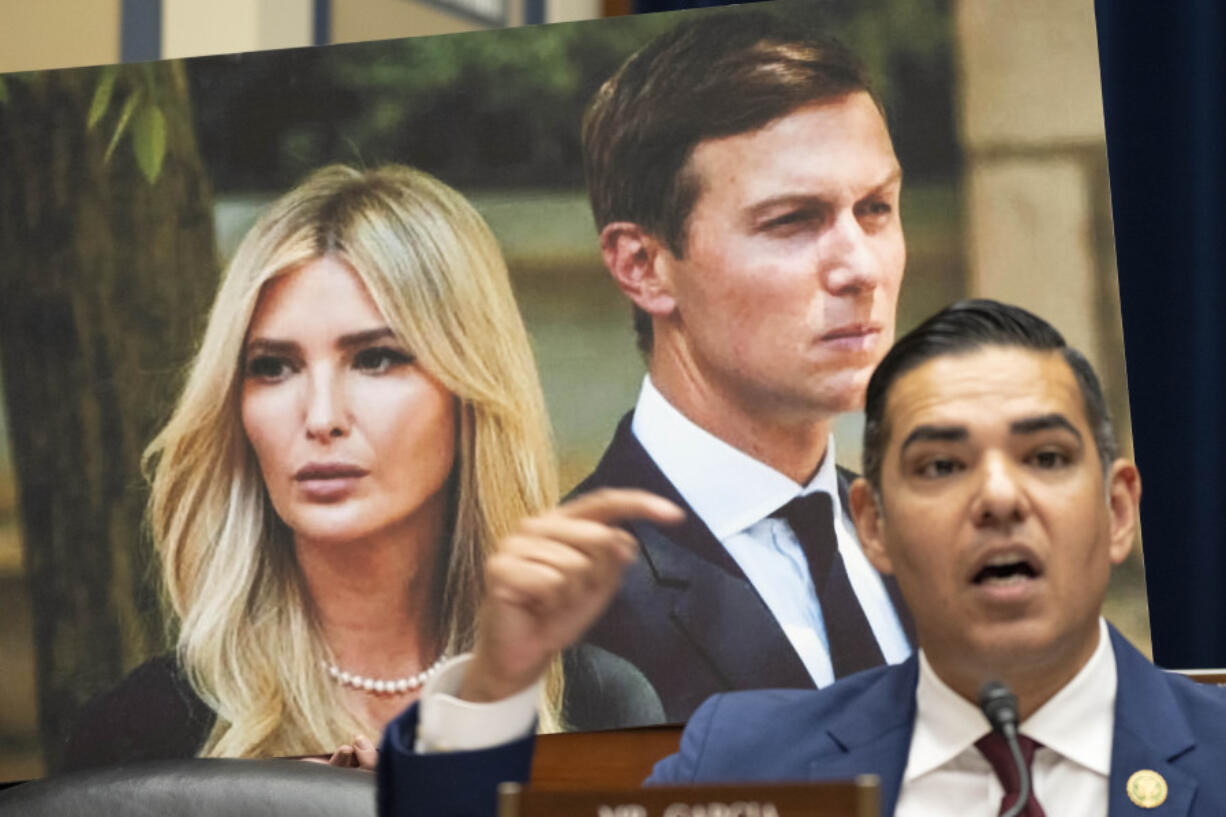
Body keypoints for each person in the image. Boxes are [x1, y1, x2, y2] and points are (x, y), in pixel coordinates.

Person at [378, 300, 1226, 817]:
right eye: (941, 465)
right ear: (873, 524)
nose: (999, 499)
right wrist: (496, 689)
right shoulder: (744, 762)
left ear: (1118, 511)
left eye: (1045, 458)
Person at [59, 164, 663, 772]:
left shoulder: (604, 704)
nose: (321, 417)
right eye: (273, 366)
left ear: (470, 393)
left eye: (375, 358)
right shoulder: (141, 735)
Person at [571, 9, 914, 721]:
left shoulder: (929, 541)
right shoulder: (562, 606)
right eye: (793, 219)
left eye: (876, 208)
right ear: (644, 267)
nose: (861, 266)